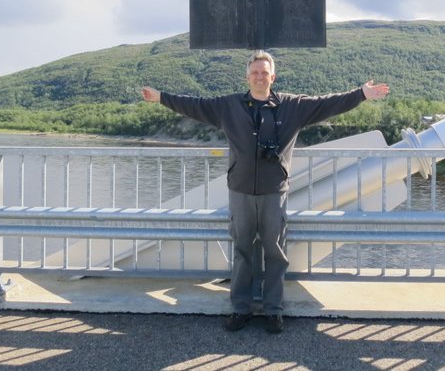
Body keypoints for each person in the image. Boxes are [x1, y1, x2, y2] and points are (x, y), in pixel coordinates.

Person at [141, 50, 389, 334]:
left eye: (264, 72)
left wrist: (361, 94)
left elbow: (329, 104)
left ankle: (273, 311)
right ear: (247, 77)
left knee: (275, 252)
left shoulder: (292, 106)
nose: (260, 77)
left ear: (273, 77)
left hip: (274, 192)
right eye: (255, 72)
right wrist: (160, 97)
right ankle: (240, 309)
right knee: (243, 250)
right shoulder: (228, 106)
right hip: (241, 190)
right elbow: (193, 105)